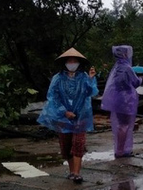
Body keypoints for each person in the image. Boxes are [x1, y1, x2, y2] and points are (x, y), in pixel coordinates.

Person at [38, 48, 98, 183]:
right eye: (69, 61)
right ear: (65, 62)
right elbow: (53, 97)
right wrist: (64, 112)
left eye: (75, 61)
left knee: (78, 143)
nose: (72, 63)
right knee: (65, 145)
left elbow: (91, 92)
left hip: (81, 115)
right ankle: (72, 171)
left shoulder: (83, 77)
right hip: (63, 116)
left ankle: (77, 173)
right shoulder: (57, 78)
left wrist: (91, 78)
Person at [101, 45, 143, 158]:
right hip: (126, 101)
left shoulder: (116, 68)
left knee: (120, 124)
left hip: (117, 99)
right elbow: (135, 82)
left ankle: (120, 149)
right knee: (125, 125)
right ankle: (121, 150)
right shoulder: (127, 68)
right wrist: (140, 79)